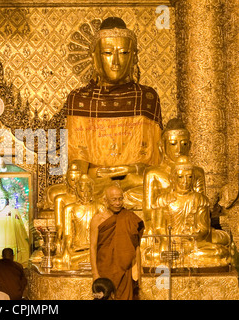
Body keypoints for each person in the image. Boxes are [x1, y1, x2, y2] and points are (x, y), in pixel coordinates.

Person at [65, 17, 162, 201]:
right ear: (95, 56)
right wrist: (85, 175)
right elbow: (78, 159)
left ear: (134, 56)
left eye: (124, 52)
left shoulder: (147, 98)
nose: (116, 62)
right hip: (95, 184)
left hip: (134, 183)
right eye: (108, 53)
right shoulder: (79, 99)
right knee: (63, 196)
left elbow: (156, 163)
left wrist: (131, 169)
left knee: (156, 194)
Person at [90, 185, 144, 300]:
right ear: (105, 200)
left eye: (120, 199)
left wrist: (138, 270)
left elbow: (136, 246)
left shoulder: (129, 217)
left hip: (125, 271)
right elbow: (93, 247)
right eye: (114, 199)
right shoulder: (97, 219)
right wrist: (95, 273)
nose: (118, 203)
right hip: (104, 269)